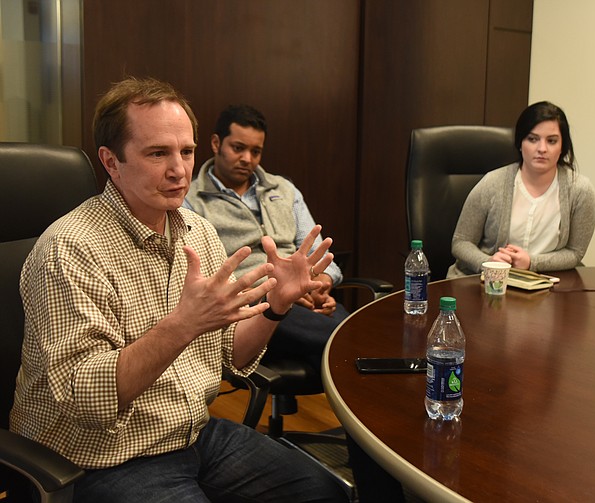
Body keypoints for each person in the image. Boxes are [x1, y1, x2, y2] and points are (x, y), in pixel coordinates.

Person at [10, 77, 347, 502]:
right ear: (111, 162)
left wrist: (276, 307)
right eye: (157, 153)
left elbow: (231, 354)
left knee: (322, 492)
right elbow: (88, 402)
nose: (179, 170)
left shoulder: (198, 232)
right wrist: (183, 325)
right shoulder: (69, 250)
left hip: (188, 431)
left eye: (186, 152)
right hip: (99, 457)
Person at [184, 105, 347, 374]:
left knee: (345, 336)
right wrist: (280, 292)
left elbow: (317, 248)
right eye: (238, 148)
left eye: (255, 151)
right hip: (252, 303)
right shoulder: (190, 201)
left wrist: (320, 284)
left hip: (304, 299)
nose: (247, 159)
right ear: (216, 144)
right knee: (348, 343)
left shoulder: (284, 189)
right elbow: (205, 278)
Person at [447, 101, 595, 277]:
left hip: (544, 286)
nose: (542, 149)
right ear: (520, 143)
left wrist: (532, 263)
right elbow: (461, 242)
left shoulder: (580, 191)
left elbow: (575, 252)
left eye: (551, 141)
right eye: (532, 139)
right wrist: (487, 263)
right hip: (486, 282)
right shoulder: (493, 182)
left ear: (562, 146)